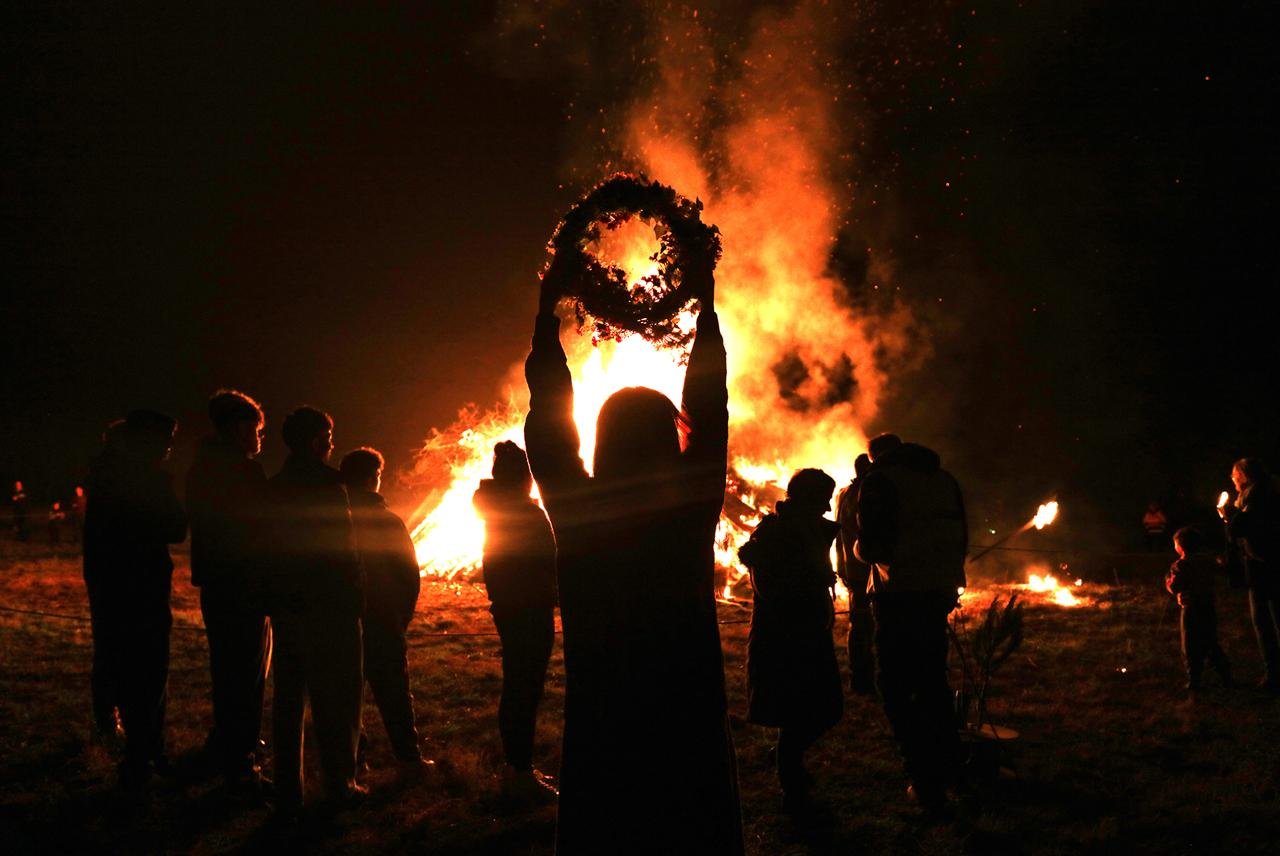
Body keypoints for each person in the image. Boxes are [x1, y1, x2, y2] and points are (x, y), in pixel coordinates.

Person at [524, 256, 743, 854]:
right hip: (685, 695)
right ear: (670, 436)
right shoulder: (691, 506)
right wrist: (705, 316)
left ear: (601, 438)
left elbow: (547, 425)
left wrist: (546, 323)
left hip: (606, 698)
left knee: (608, 821)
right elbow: (711, 411)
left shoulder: (576, 506)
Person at [855, 433, 967, 817]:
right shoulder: (943, 478)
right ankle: (953, 766)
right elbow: (960, 535)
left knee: (897, 686)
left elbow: (872, 547)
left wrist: (857, 550)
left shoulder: (881, 480)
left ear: (877, 457)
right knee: (933, 680)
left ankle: (923, 779)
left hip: (899, 593)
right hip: (938, 590)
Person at [265, 406, 365, 816]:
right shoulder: (330, 487)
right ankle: (340, 784)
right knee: (336, 700)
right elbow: (341, 552)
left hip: (287, 609)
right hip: (328, 609)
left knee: (288, 702)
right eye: (327, 438)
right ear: (314, 442)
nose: (331, 445)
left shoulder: (272, 488)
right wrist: (354, 600)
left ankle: (288, 791)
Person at [82, 410, 187, 790]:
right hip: (141, 586)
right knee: (148, 668)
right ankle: (143, 752)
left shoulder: (104, 477)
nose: (170, 447)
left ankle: (133, 741)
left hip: (110, 585)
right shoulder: (147, 480)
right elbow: (176, 527)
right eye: (165, 439)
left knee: (118, 659)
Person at [185, 389, 273, 796]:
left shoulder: (201, 468)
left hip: (217, 584)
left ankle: (226, 745)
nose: (260, 438)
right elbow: (263, 529)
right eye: (256, 429)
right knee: (247, 675)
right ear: (239, 429)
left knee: (227, 670)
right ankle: (242, 763)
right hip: (245, 585)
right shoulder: (243, 473)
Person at [738, 468, 843, 809]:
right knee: (801, 710)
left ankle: (789, 760)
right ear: (808, 497)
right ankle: (790, 776)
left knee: (819, 709)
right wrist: (812, 583)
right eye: (823, 498)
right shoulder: (775, 535)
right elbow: (770, 588)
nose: (828, 508)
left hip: (808, 630)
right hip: (786, 635)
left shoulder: (807, 531)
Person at [472, 441, 559, 804]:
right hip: (528, 610)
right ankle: (519, 772)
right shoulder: (522, 513)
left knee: (518, 685)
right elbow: (542, 562)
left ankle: (517, 765)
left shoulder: (498, 509)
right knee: (525, 687)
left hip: (513, 608)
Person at [339, 447, 430, 779]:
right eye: (377, 475)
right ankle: (409, 759)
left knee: (347, 696)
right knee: (394, 692)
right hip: (383, 621)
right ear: (370, 478)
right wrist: (401, 616)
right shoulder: (386, 521)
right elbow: (409, 574)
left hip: (345, 621)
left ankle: (351, 762)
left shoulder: (335, 518)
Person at [1220, 458, 1280, 689]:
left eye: (1234, 475)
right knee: (1268, 619)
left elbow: (1241, 527)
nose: (1232, 479)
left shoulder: (1258, 496)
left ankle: (1274, 674)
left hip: (1266, 565)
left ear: (1244, 475)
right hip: (1262, 563)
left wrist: (1229, 515)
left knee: (1265, 620)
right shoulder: (1260, 494)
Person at [1166, 526, 1233, 691]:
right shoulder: (1208, 561)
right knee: (1211, 642)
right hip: (1208, 606)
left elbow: (1175, 586)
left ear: (1180, 547)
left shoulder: (1181, 565)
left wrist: (1167, 579)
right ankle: (1226, 676)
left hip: (1191, 609)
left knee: (1190, 645)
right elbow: (1221, 569)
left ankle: (1194, 680)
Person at [835, 452, 875, 694]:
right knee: (864, 625)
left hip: (851, 569)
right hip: (864, 570)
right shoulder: (863, 494)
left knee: (860, 623)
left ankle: (861, 677)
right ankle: (862, 679)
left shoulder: (846, 492)